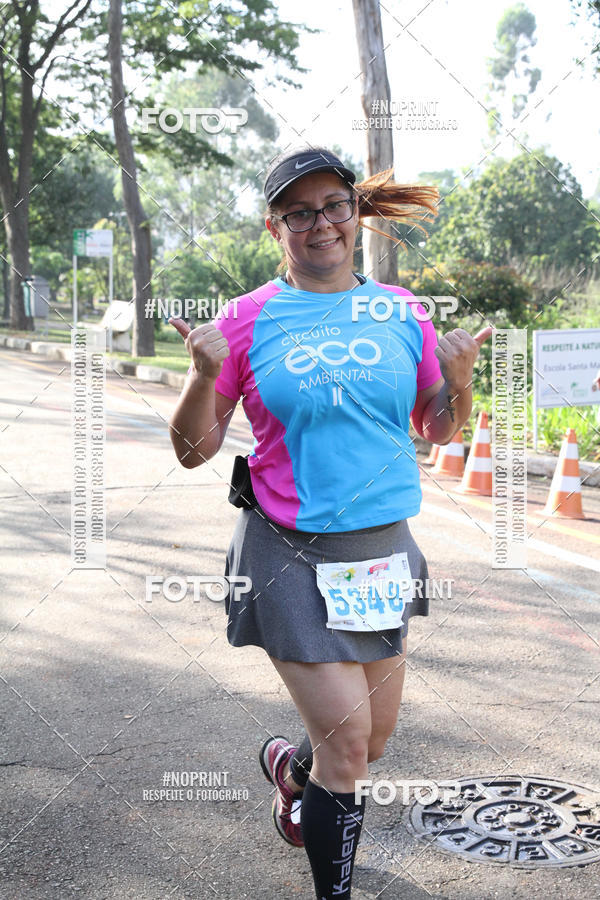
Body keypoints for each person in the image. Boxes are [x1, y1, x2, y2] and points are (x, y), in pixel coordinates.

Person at [169, 146, 491, 899]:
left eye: (334, 207)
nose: (322, 225)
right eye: (301, 213)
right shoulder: (247, 320)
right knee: (347, 749)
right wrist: (201, 379)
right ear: (275, 226)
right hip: (287, 555)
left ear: (355, 212)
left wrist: (462, 384)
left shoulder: (402, 312)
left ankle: (291, 771)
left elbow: (438, 428)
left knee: (368, 744)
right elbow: (193, 451)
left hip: (380, 555)